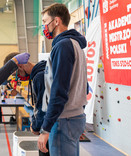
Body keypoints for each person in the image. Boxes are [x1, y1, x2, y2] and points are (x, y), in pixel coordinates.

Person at [38, 3, 88, 155]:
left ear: (56, 21)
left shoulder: (62, 46)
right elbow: (84, 86)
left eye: (45, 22)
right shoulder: (75, 44)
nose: (44, 27)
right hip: (74, 116)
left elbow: (58, 90)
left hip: (63, 119)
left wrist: (46, 128)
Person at [4, 52, 49, 156]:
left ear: (20, 66)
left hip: (51, 127)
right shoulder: (44, 69)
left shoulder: (40, 76)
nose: (17, 78)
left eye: (15, 74)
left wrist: (36, 126)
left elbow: (43, 107)